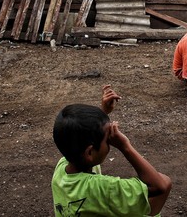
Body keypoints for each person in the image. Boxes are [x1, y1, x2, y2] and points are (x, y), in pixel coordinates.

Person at [51, 85, 172, 216]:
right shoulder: (101, 189)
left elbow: (76, 137)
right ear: (90, 152)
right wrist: (125, 146)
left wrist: (102, 114)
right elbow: (161, 185)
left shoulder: (61, 170)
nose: (110, 142)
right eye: (107, 140)